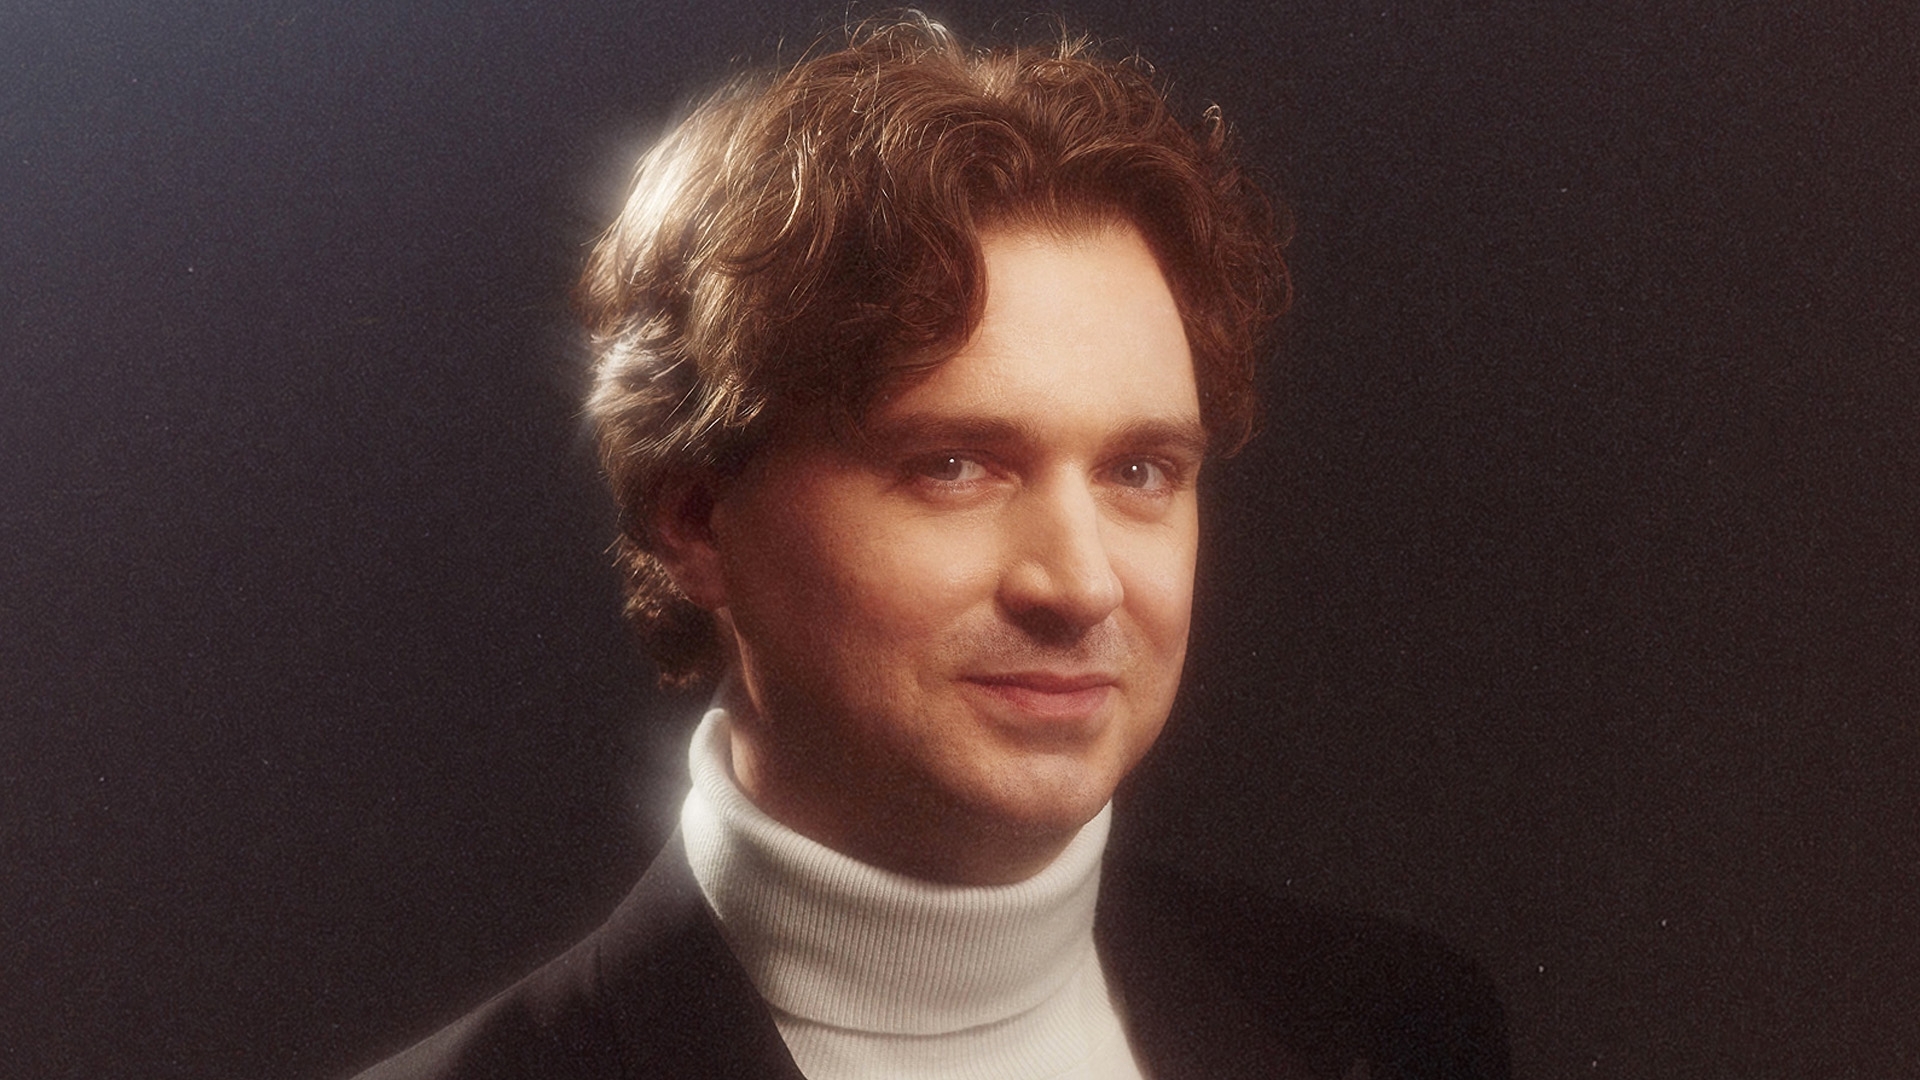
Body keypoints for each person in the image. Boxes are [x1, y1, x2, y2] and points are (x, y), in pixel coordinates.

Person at [354, 16, 1509, 1080]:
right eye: (953, 466)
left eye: (1139, 470)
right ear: (697, 520)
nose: (1081, 584)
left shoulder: (1395, 1028)